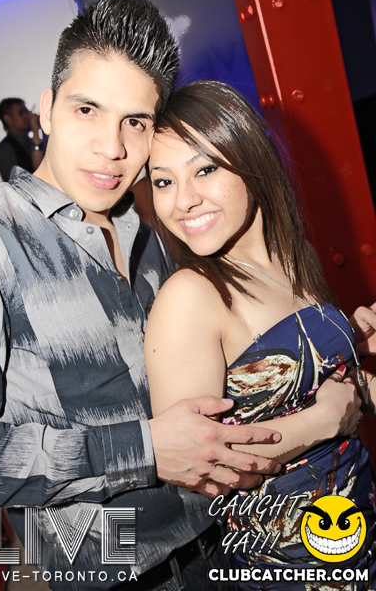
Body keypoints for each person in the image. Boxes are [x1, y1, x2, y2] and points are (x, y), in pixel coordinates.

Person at [0, 0, 294, 591]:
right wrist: (142, 449)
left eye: (136, 122)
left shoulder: (148, 228)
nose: (112, 147)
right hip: (112, 572)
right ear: (47, 110)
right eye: (87, 110)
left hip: (227, 538)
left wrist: (324, 356)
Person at [145, 80, 376, 589]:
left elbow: (326, 386)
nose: (183, 200)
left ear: (250, 158)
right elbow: (202, 468)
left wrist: (353, 350)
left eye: (205, 169)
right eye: (162, 181)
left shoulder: (298, 259)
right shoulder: (191, 297)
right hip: (285, 568)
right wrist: (322, 423)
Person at [0, 97, 45, 181]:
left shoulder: (29, 141)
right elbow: (15, 184)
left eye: (26, 112)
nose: (27, 116)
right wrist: (35, 131)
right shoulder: (4, 150)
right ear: (8, 119)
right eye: (21, 113)